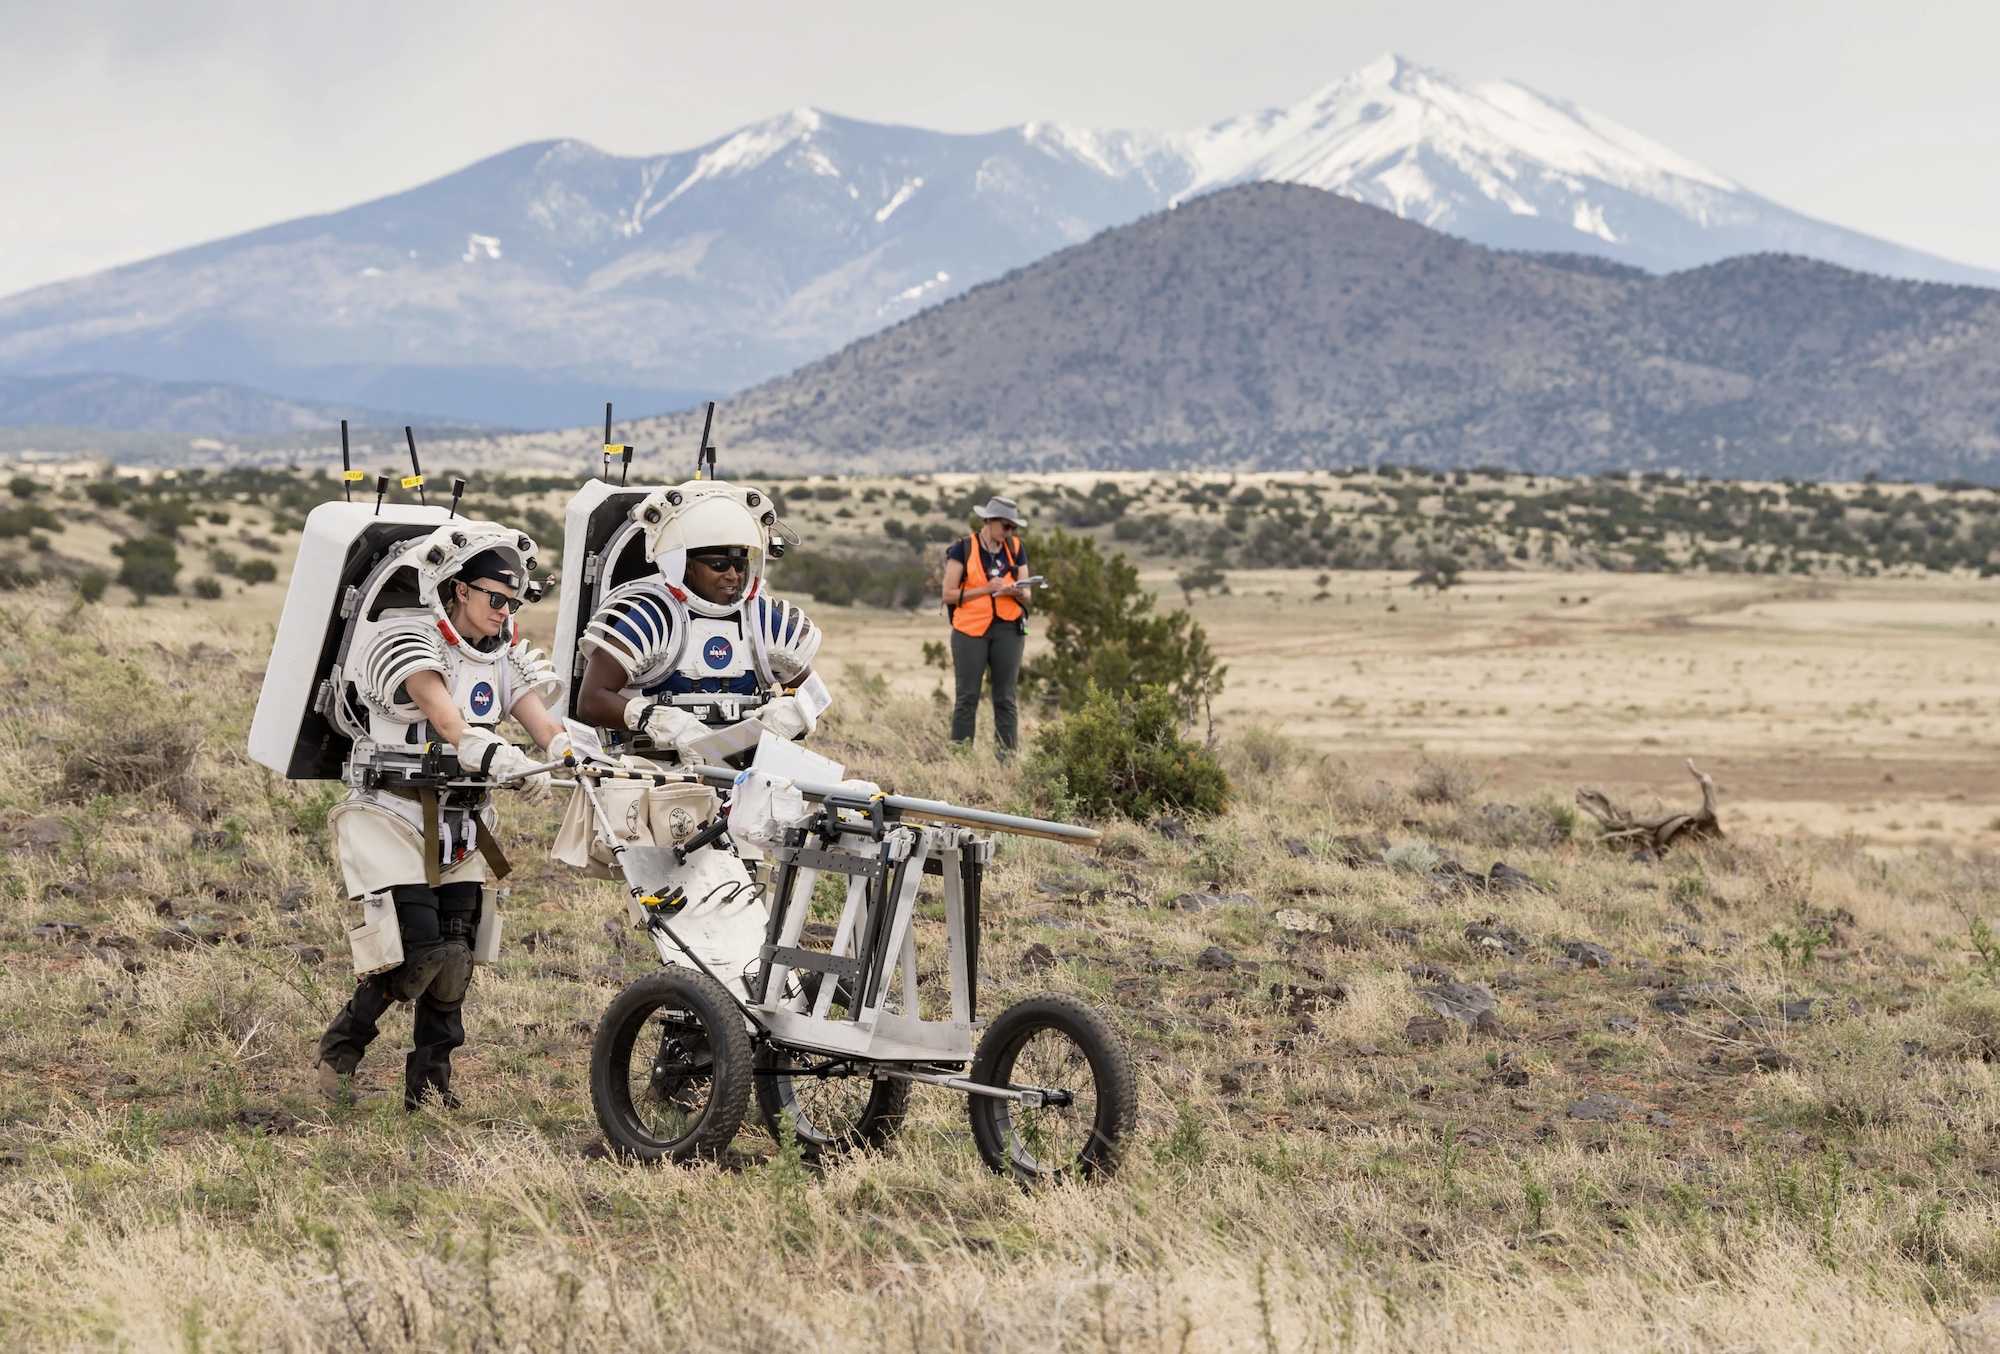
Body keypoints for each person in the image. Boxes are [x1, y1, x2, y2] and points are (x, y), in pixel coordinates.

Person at [315, 527, 567, 1109]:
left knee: (456, 957)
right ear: (458, 589)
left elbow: (545, 728)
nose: (504, 614)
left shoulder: (503, 658)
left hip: (461, 821)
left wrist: (566, 758)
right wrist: (495, 754)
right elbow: (449, 722)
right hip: (391, 812)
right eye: (495, 599)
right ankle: (342, 1047)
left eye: (514, 603)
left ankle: (430, 1083)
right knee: (417, 948)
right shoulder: (409, 641)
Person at [571, 479, 828, 762]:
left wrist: (793, 712)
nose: (733, 576)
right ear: (687, 565)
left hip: (749, 771)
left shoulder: (761, 619)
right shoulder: (652, 617)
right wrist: (653, 719)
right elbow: (591, 700)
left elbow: (815, 693)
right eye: (719, 565)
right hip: (658, 771)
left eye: (740, 565)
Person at [942, 496, 1032, 753]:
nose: (1009, 532)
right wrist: (985, 590)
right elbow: (948, 594)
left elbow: (1027, 594)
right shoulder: (963, 548)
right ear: (990, 522)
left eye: (1013, 528)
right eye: (1006, 526)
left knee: (1006, 699)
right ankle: (960, 756)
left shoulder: (1015, 548)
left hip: (1009, 628)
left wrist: (1014, 591)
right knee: (967, 697)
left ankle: (1006, 759)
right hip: (970, 630)